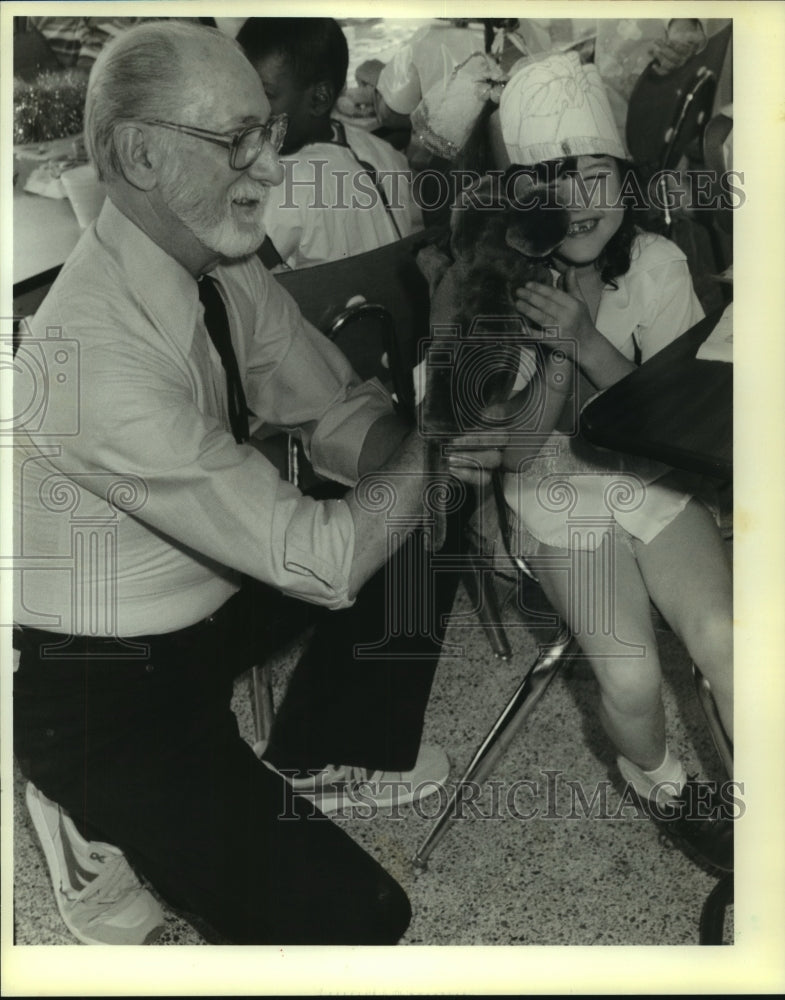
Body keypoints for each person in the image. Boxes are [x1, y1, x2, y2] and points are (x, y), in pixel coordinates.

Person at [12, 20, 504, 946]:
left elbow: (334, 412)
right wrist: (442, 428)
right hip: (107, 691)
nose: (268, 166)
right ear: (139, 155)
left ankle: (322, 749)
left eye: (266, 133)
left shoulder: (218, 264)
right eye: (237, 139)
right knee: (361, 923)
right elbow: (321, 561)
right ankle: (80, 805)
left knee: (430, 497)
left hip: (217, 599)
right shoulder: (91, 355)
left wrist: (452, 456)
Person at [429, 51, 734, 873]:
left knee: (726, 639)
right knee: (631, 679)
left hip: (649, 474)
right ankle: (661, 783)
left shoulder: (659, 266)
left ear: (625, 180)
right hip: (552, 489)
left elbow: (676, 418)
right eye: (555, 179)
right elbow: (519, 447)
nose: (582, 199)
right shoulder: (489, 289)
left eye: (598, 173)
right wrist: (560, 347)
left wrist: (590, 339)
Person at [235, 17, 422, 270]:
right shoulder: (385, 153)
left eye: (265, 94)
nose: (244, 107)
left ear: (320, 99)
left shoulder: (278, 186)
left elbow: (244, 274)